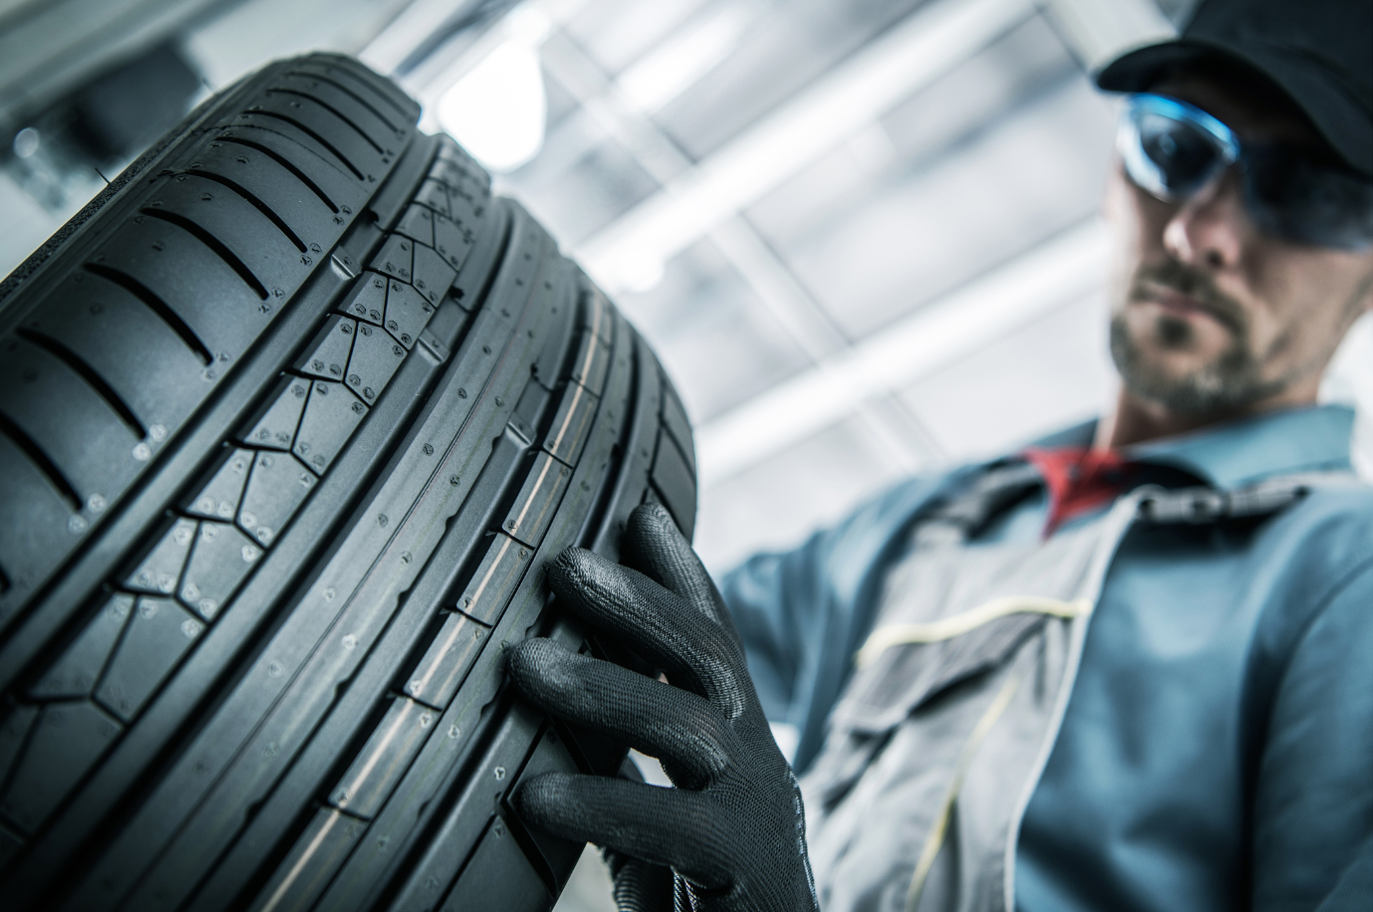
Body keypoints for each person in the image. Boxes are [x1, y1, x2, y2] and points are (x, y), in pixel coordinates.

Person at [504, 0, 1373, 909]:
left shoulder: (1343, 576)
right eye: (1175, 150)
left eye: (1307, 192)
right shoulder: (924, 521)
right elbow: (623, 611)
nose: (1200, 235)